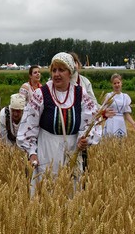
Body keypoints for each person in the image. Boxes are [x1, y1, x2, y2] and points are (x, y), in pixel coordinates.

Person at [17, 52, 100, 198]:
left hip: (72, 151)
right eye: (54, 70)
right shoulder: (41, 94)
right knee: (46, 193)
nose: (57, 74)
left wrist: (85, 139)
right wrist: (32, 152)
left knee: (71, 194)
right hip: (47, 151)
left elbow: (91, 120)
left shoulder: (81, 94)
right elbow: (29, 124)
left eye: (61, 70)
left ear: (70, 73)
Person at [102, 74, 135, 138]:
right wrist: (105, 113)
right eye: (114, 83)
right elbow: (102, 111)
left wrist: (133, 123)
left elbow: (126, 113)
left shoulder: (125, 97)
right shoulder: (108, 96)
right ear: (112, 84)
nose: (117, 85)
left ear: (121, 83)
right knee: (109, 142)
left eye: (118, 83)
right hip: (111, 121)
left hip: (120, 122)